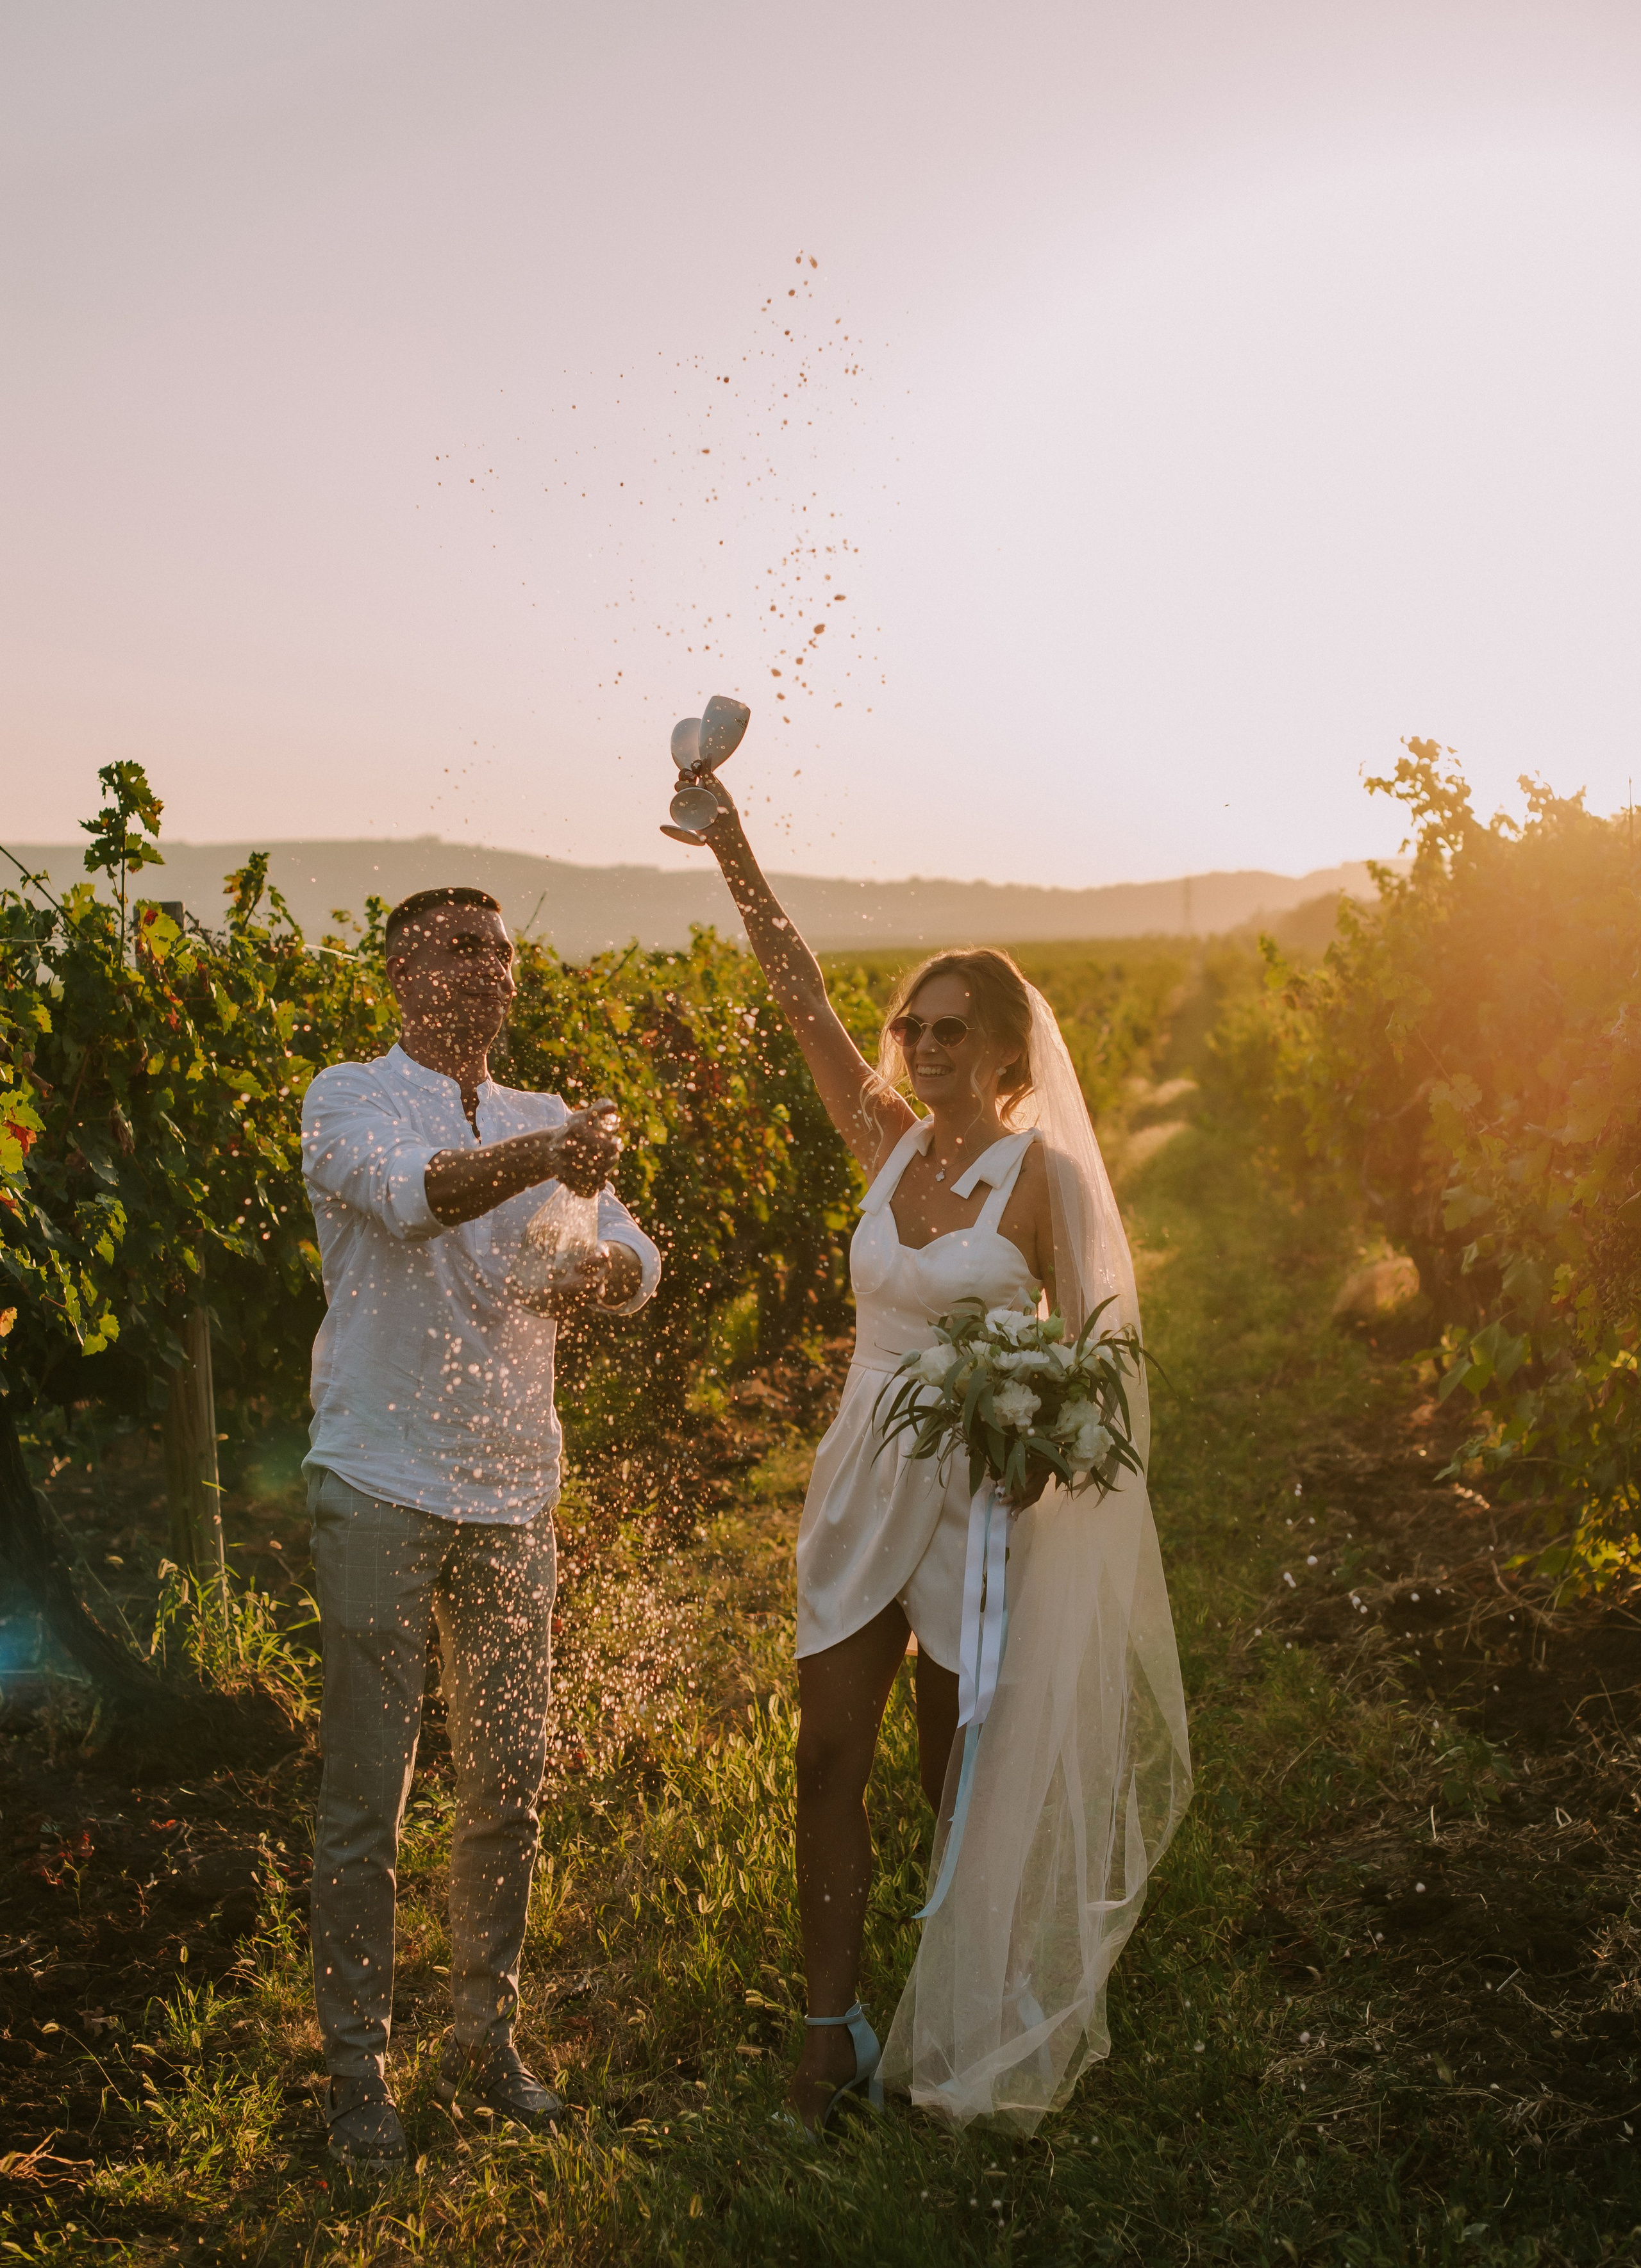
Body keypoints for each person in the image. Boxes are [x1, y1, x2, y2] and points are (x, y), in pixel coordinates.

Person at [697, 782, 1192, 2132]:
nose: (919, 1044)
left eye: (948, 1029)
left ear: (1004, 1049)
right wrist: (732, 847)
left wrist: (1030, 1441)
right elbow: (797, 993)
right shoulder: (883, 1142)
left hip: (981, 1498)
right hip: (863, 1470)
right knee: (822, 1755)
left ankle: (962, 2016)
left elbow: (1096, 1366)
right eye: (910, 1023)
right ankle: (825, 2031)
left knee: (947, 1778)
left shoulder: (1042, 1181)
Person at [299, 884, 660, 2174]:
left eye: (502, 950)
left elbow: (633, 1261)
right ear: (400, 970)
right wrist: (548, 1159)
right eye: (459, 948)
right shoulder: (346, 1096)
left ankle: (483, 2042)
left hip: (514, 1492)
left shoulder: (546, 1120)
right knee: (367, 1803)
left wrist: (603, 1269)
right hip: (382, 1484)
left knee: (506, 1784)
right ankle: (355, 2075)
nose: (488, 968)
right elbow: (410, 1199)